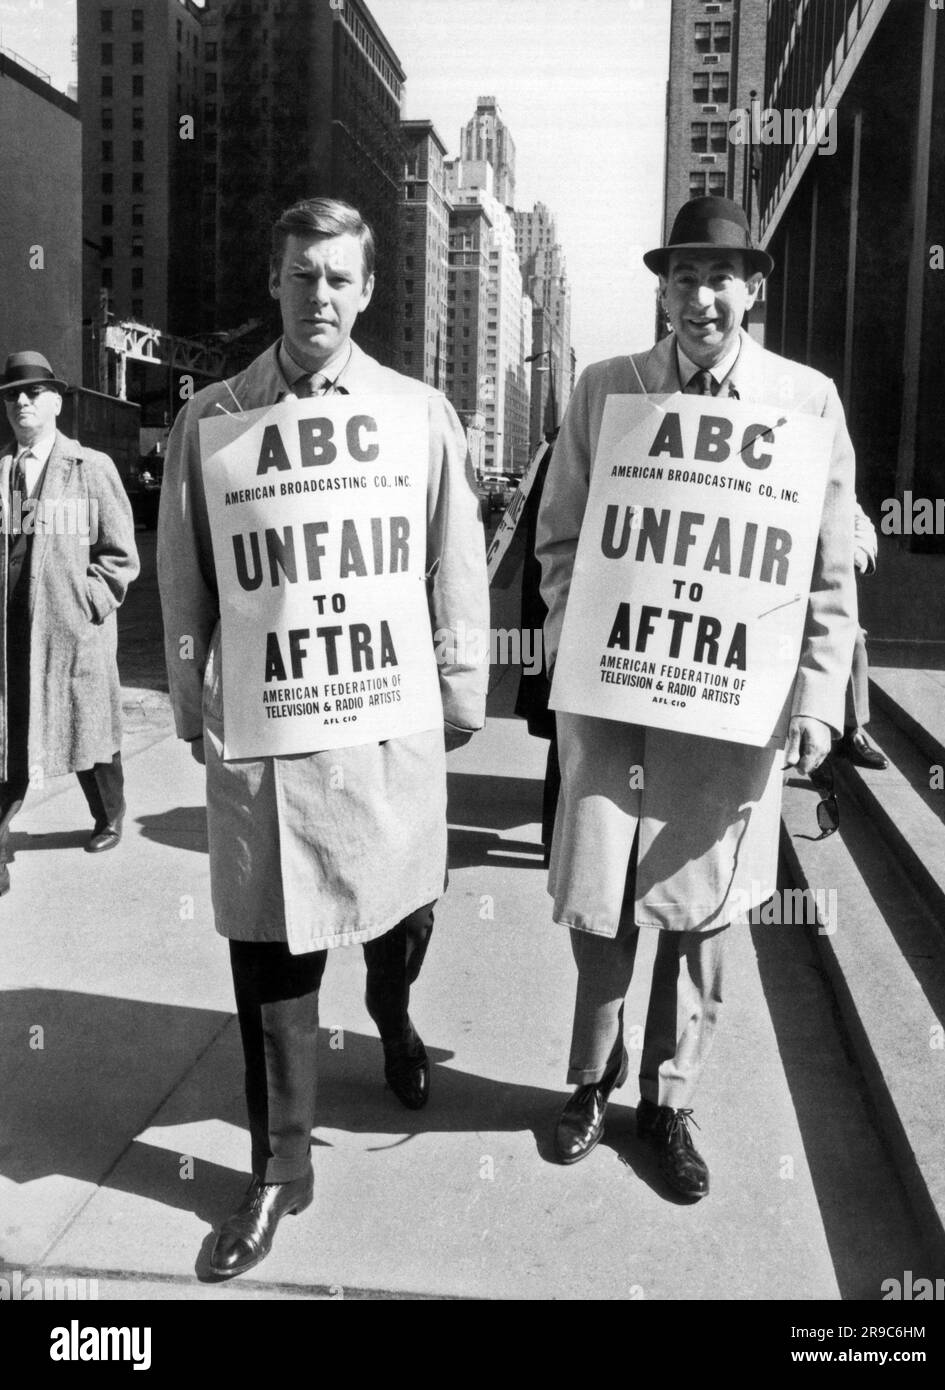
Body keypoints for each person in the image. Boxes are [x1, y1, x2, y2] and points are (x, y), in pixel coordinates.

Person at [157, 197, 489, 1277]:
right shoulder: (217, 418)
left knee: (397, 917)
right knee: (269, 947)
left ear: (369, 289)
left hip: (385, 727)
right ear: (273, 281)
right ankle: (277, 1166)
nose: (319, 298)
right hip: (267, 733)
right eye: (301, 276)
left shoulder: (415, 413)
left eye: (339, 278)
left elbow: (455, 562)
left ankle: (392, 1015)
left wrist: (460, 690)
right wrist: (188, 692)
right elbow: (183, 573)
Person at [536, 197, 857, 1199]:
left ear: (752, 290)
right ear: (662, 290)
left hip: (733, 707)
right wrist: (573, 633)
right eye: (681, 277)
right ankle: (592, 1078)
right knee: (602, 909)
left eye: (719, 278)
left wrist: (813, 701)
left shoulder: (806, 401)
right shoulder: (606, 390)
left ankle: (671, 1102)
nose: (699, 297)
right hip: (619, 697)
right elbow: (558, 540)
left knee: (704, 917)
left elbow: (826, 570)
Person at [0, 351, 139, 896]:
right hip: (10, 632)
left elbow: (121, 554)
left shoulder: (90, 468)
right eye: (13, 394)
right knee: (9, 736)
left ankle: (110, 814)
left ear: (56, 402)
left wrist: (90, 601)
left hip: (71, 629)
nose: (23, 402)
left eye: (35, 392)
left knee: (88, 733)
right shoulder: (0, 470)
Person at [835, 502, 888, 769]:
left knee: (853, 639)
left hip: (817, 585)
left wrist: (860, 553)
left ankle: (851, 733)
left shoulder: (824, 462)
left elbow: (861, 523)